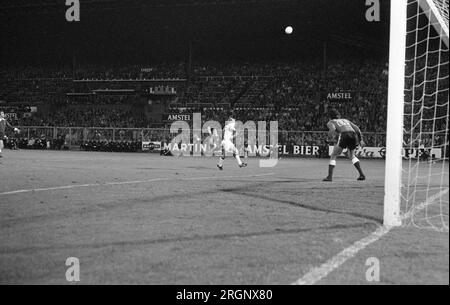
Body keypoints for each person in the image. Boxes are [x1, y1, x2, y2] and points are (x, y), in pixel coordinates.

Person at [323, 109, 366, 181]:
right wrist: (361, 139)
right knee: (352, 156)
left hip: (344, 135)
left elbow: (333, 129)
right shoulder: (346, 120)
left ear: (330, 117)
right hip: (353, 135)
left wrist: (328, 138)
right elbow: (357, 129)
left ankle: (329, 177)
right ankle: (361, 175)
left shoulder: (331, 122)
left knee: (334, 155)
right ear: (338, 115)